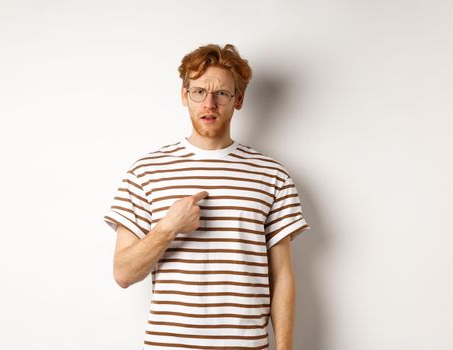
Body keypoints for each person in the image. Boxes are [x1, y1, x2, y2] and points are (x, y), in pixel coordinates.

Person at [103, 43, 311, 350]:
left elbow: (282, 278)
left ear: (238, 99)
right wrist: (167, 228)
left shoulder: (272, 175)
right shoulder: (145, 172)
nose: (209, 103)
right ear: (184, 95)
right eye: (199, 91)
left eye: (221, 94)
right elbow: (123, 274)